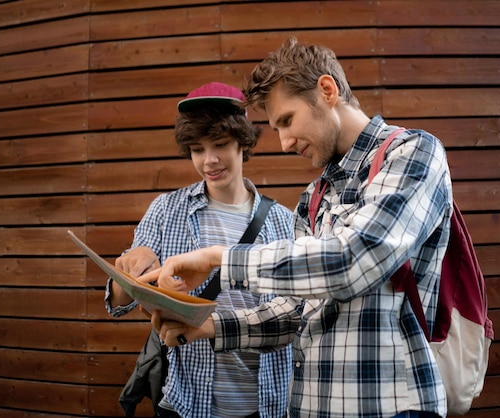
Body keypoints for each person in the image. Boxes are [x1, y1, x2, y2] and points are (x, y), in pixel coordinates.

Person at [145, 37, 452, 418]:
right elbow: (295, 313)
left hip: (387, 408)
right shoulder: (313, 197)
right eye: (275, 129)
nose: (286, 142)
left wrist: (219, 260)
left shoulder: (411, 154)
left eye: (287, 121)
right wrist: (208, 327)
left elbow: (351, 260)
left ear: (327, 90)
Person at [105, 82, 295, 418]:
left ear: (243, 142)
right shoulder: (166, 210)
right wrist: (130, 272)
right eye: (196, 149)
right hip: (186, 400)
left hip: (266, 402)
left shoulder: (283, 222)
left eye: (220, 145)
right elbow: (119, 302)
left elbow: (295, 316)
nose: (209, 161)